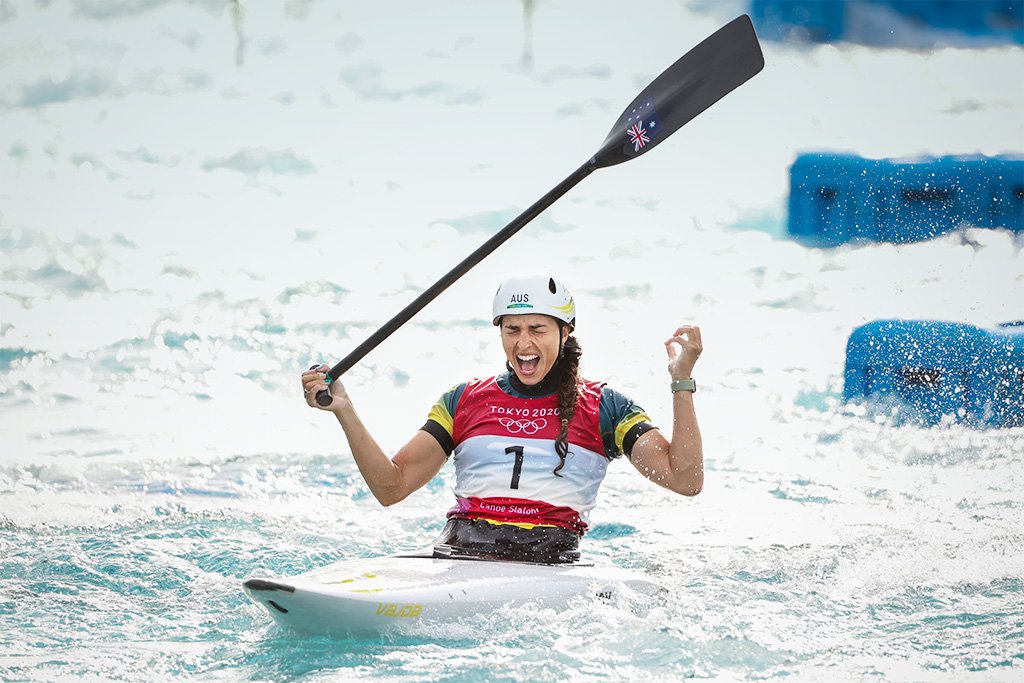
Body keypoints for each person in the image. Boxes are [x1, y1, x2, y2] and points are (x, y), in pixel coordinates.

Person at [301, 276, 703, 564]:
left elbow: (684, 479)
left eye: (537, 329)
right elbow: (391, 487)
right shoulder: (463, 400)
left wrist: (680, 382)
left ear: (565, 333)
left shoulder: (606, 407)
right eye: (512, 330)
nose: (523, 343)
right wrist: (345, 410)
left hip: (550, 565)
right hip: (459, 556)